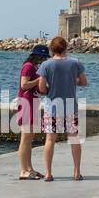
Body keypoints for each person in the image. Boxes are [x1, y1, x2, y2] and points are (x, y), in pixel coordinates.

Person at [38, 36, 87, 181]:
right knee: (74, 138)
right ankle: (77, 172)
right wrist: (72, 81)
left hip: (52, 106)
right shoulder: (75, 63)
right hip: (70, 106)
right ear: (66, 47)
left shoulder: (46, 65)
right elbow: (83, 82)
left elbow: (41, 88)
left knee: (50, 140)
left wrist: (50, 89)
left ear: (51, 49)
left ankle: (48, 173)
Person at [17, 44, 50, 180]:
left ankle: (30, 168)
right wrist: (39, 79)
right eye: (43, 58)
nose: (44, 60)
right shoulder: (28, 66)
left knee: (30, 138)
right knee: (25, 138)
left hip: (32, 102)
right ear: (38, 56)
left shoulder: (34, 68)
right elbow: (24, 85)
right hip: (26, 103)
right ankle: (23, 170)